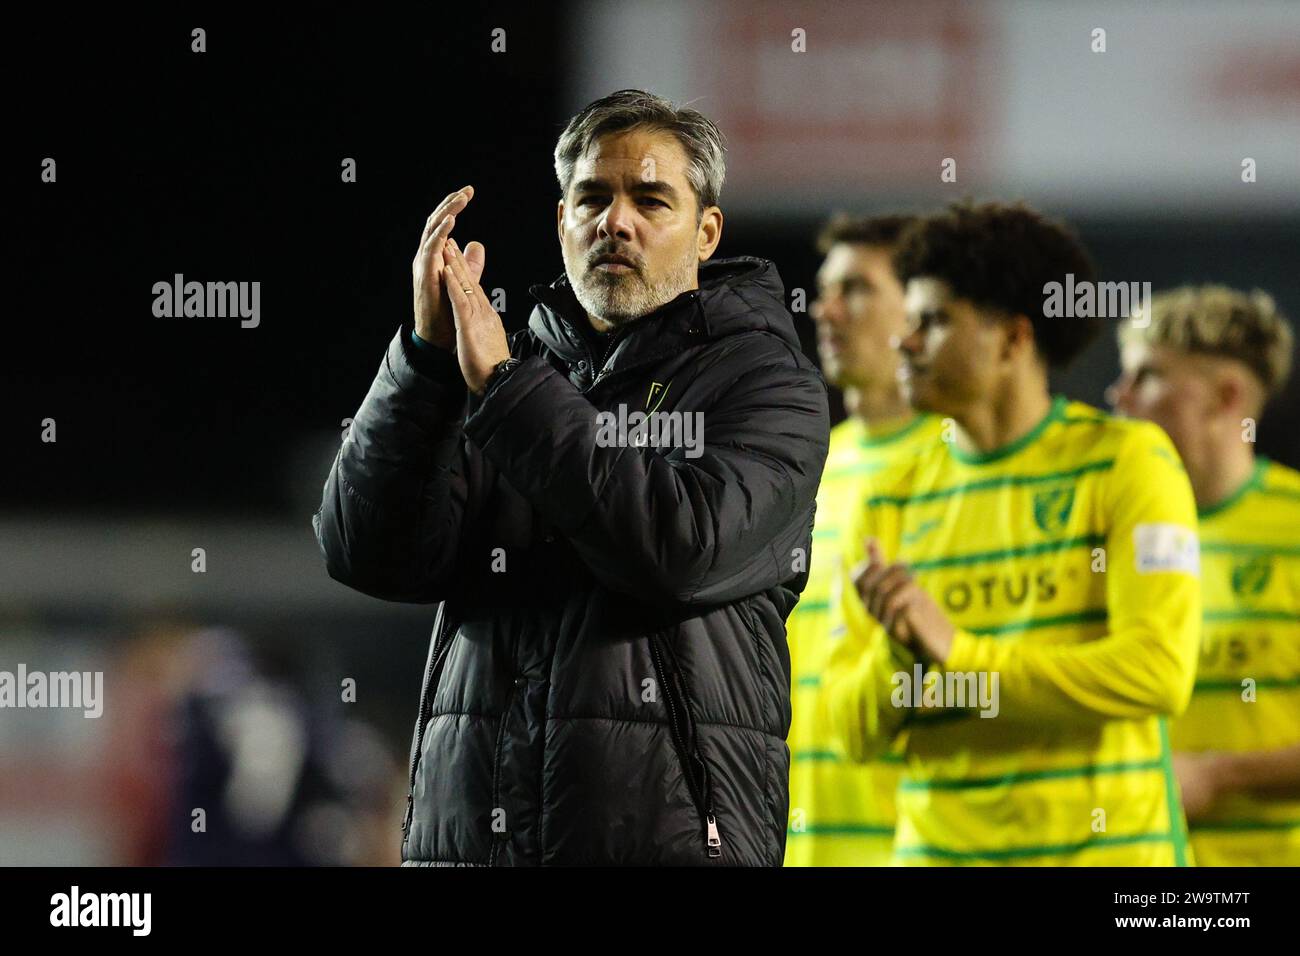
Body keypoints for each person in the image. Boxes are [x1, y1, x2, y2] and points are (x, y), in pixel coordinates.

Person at [313, 89, 829, 866]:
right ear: (562, 224)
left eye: (650, 199)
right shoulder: (501, 377)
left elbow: (679, 550)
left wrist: (509, 393)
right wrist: (423, 363)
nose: (615, 222)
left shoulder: (768, 386)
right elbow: (366, 551)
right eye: (593, 197)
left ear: (707, 231)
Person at [825, 200, 1201, 865]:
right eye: (908, 322)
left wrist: (963, 657)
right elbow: (850, 732)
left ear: (1012, 340)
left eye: (933, 322)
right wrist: (899, 653)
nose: (904, 343)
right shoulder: (891, 493)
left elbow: (1158, 673)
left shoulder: (1127, 461)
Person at [1109, 285, 1300, 866]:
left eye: (1147, 377)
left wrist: (1219, 777)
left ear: (1225, 395)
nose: (1119, 396)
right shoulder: (1109, 532)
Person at [785, 213, 943, 866]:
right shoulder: (804, 471)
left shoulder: (957, 464)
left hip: (916, 847)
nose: (825, 311)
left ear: (919, 310)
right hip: (798, 845)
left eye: (856, 290)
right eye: (825, 290)